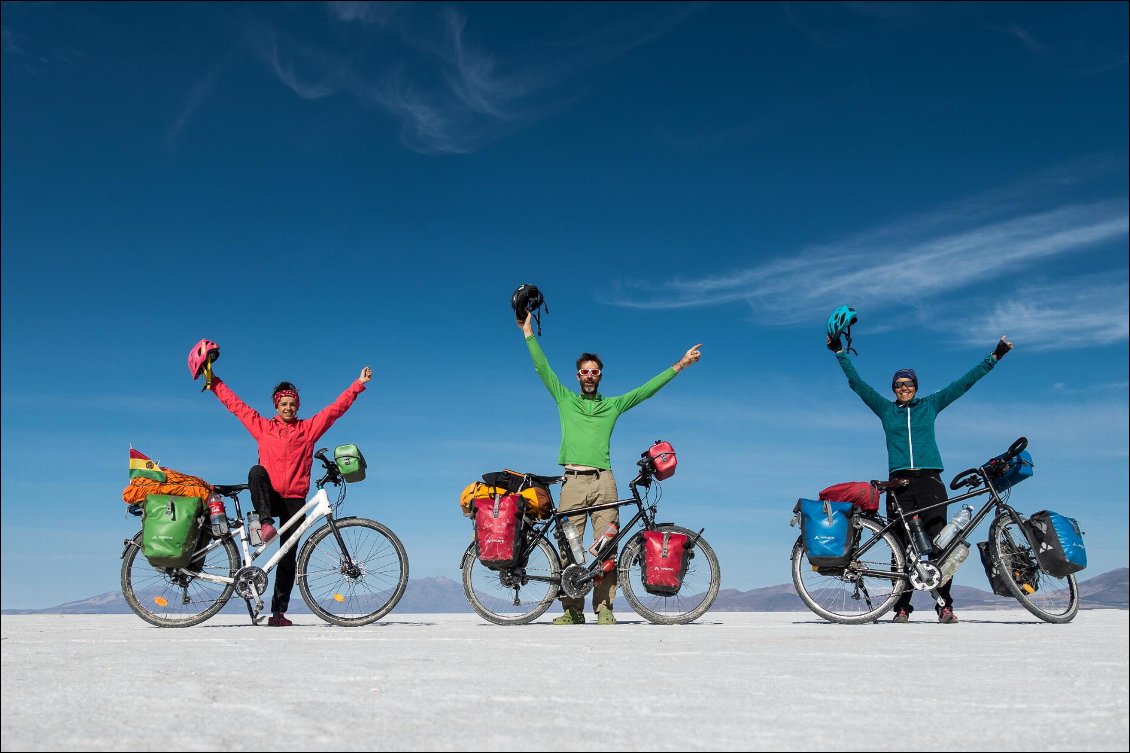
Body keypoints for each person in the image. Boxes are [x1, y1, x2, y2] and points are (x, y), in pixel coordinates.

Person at [518, 312, 702, 625]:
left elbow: (645, 391)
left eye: (594, 371)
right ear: (577, 376)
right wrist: (527, 332)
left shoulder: (612, 406)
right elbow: (542, 368)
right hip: (573, 481)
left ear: (600, 376)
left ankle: (604, 608)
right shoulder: (565, 400)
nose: (589, 375)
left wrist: (679, 366)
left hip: (604, 481)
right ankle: (572, 611)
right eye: (584, 371)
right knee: (569, 546)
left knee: (607, 546)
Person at [828, 331, 1013, 624]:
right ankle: (901, 607)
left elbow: (964, 383)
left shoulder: (930, 405)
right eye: (899, 384)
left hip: (930, 481)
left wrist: (995, 356)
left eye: (908, 383)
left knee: (942, 542)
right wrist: (840, 354)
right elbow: (857, 385)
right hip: (900, 483)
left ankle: (944, 605)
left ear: (915, 386)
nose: (903, 388)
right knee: (899, 546)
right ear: (894, 388)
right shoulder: (887, 410)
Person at [207, 365, 373, 626]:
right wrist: (214, 382)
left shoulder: (307, 430)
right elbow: (236, 405)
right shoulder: (263, 427)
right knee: (256, 471)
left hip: (294, 500)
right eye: (283, 403)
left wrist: (358, 384)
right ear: (276, 405)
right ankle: (265, 523)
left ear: (297, 406)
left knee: (287, 557)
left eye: (292, 404)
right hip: (269, 498)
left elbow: (334, 411)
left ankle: (278, 613)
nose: (288, 408)